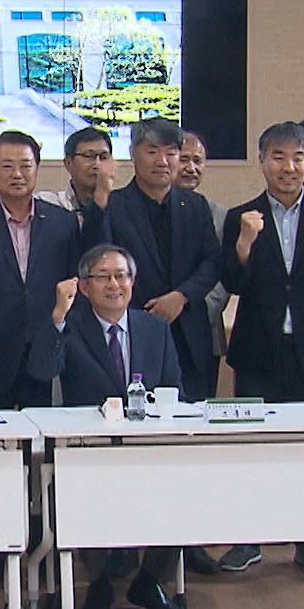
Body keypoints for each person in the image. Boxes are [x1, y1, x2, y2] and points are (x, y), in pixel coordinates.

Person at [218, 121, 304, 577]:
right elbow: (233, 283)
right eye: (278, 157)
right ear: (262, 162)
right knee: (252, 448)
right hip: (259, 351)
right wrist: (244, 244)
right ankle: (248, 539)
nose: (290, 167)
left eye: (298, 157)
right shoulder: (241, 217)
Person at [25, 245, 188, 609]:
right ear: (84, 287)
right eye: (103, 277)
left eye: (122, 276)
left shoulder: (155, 329)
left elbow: (175, 391)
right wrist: (58, 318)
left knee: (182, 483)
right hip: (88, 451)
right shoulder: (70, 326)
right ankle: (98, 584)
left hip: (147, 449)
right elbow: (41, 370)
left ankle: (150, 581)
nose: (115, 284)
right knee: (79, 486)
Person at [0, 131, 107, 408]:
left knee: (43, 428)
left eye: (25, 165)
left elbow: (76, 281)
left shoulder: (62, 222)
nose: (17, 174)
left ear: (37, 169)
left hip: (45, 347)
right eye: (7, 166)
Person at [104, 118, 223, 404]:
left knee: (193, 415)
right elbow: (102, 263)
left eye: (171, 152)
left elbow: (212, 261)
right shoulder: (113, 206)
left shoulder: (195, 205)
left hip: (190, 331)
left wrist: (181, 296)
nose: (163, 161)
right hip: (135, 329)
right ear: (133, 154)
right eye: (152, 151)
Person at [176, 131, 231, 393]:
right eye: (184, 159)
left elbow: (223, 276)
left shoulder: (220, 215)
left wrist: (191, 311)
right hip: (156, 325)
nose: (191, 167)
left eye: (198, 161)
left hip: (205, 329)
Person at [35, 126, 116, 215]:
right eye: (89, 156)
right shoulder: (47, 205)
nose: (97, 164)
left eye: (104, 157)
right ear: (68, 163)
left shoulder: (122, 207)